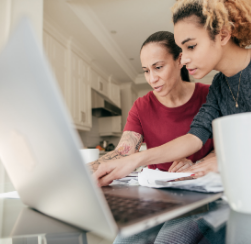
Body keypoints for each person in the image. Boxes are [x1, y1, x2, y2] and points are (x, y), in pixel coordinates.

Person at [94, 0, 251, 203]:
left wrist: (225, 161)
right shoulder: (220, 86)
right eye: (181, 50)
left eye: (191, 46)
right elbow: (194, 137)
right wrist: (136, 159)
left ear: (222, 34)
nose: (184, 60)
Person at [89, 31, 217, 176]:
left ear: (179, 60)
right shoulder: (141, 107)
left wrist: (198, 164)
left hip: (204, 183)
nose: (152, 79)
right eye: (146, 71)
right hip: (157, 189)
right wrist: (79, 171)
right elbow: (123, 153)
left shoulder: (210, 95)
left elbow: (225, 146)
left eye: (158, 67)